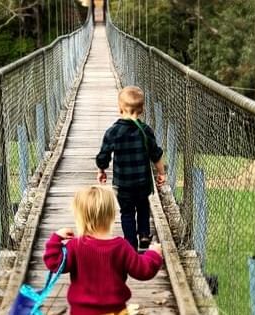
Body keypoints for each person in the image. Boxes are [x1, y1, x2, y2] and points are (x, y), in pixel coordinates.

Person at [43, 186, 163, 315]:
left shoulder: (75, 246)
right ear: (111, 214)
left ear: (80, 217)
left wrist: (56, 238)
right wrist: (153, 254)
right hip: (114, 311)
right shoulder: (121, 246)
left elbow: (54, 263)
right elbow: (143, 270)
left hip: (81, 311)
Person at [95, 86, 166, 250]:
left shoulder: (113, 132)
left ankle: (130, 244)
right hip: (143, 183)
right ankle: (143, 234)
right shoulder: (146, 131)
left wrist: (101, 170)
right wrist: (161, 173)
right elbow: (156, 154)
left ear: (120, 108)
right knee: (143, 207)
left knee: (126, 213)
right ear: (142, 110)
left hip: (123, 184)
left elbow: (103, 155)